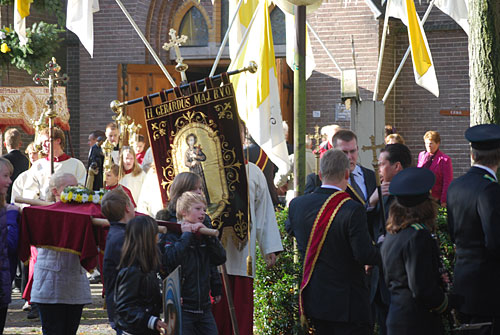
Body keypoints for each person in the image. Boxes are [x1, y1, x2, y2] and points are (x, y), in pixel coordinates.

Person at [286, 149, 381, 334]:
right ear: (347, 174)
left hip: (315, 299)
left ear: (320, 175)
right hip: (349, 305)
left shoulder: (297, 205)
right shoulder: (352, 209)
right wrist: (384, 248)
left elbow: (291, 230)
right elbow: (363, 255)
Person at [212, 160, 283, 335]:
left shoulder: (253, 172)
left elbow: (263, 210)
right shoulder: (208, 165)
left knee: (241, 315)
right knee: (215, 316)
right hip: (213, 257)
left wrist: (269, 247)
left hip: (243, 254)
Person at [381, 167, 449, 334]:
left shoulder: (393, 234)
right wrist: (446, 302)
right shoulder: (418, 236)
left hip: (398, 318)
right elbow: (421, 288)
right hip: (417, 322)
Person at [447, 124, 500, 334]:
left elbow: (453, 232)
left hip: (463, 280)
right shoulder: (490, 189)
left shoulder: (456, 185)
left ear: (472, 154)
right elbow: (495, 242)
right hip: (487, 287)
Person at [160, 180, 226, 334]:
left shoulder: (205, 231)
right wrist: (187, 236)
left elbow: (219, 259)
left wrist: (210, 238)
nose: (203, 213)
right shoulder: (173, 232)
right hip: (183, 306)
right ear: (184, 211)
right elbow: (169, 260)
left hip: (203, 306)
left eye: (204, 209)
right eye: (198, 209)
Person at [30, 172, 92, 334]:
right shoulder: (44, 212)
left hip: (75, 284)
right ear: (56, 191)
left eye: (77, 186)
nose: (76, 191)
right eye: (70, 187)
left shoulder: (85, 212)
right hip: (50, 284)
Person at [366, 143, 412, 335]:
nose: (379, 169)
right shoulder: (381, 192)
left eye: (382, 164)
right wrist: (370, 202)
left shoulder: (411, 195)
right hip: (379, 278)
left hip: (399, 280)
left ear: (397, 166)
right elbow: (368, 227)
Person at [114, 216, 168, 334]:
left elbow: (149, 298)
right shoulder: (132, 271)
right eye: (156, 234)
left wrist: (168, 300)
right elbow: (125, 307)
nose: (158, 238)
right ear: (148, 239)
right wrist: (149, 320)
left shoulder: (148, 268)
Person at [305, 130, 376, 207]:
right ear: (334, 151)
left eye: (352, 151)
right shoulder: (316, 179)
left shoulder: (371, 176)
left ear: (357, 149)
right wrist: (370, 203)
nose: (349, 157)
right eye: (344, 152)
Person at [101, 188, 136, 335]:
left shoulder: (121, 233)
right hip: (126, 309)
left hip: (126, 307)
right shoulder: (121, 238)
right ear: (128, 208)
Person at [23, 127, 86, 200]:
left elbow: (80, 189)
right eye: (42, 142)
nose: (43, 145)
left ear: (58, 140)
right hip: (42, 207)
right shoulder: (38, 165)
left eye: (46, 141)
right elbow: (29, 190)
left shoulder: (76, 165)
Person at [0, 157, 20, 333]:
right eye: (6, 176)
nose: (10, 181)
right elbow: (10, 244)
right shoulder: (7, 213)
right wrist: (12, 218)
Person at [417, 130, 453, 207]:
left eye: (431, 143)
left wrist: (444, 200)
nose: (428, 146)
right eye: (426, 143)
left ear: (438, 143)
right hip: (421, 197)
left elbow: (447, 181)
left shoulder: (444, 160)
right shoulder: (422, 156)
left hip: (435, 199)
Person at [2, 128, 29, 203]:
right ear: (20, 144)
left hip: (5, 197)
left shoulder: (3, 160)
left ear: (4, 144)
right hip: (21, 197)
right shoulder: (26, 160)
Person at [184, 133, 210, 204]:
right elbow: (186, 162)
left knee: (203, 184)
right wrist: (191, 164)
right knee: (195, 185)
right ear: (187, 141)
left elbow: (204, 157)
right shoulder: (187, 152)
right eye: (189, 140)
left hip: (199, 169)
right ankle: (198, 203)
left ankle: (207, 202)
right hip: (193, 170)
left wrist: (197, 156)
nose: (191, 142)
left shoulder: (197, 149)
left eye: (192, 140)